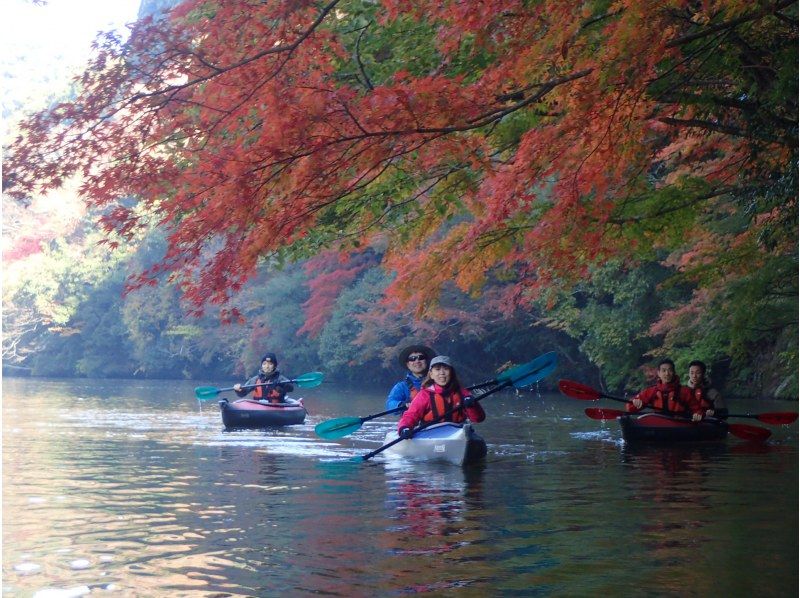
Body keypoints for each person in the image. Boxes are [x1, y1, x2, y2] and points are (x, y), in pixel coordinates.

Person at [397, 355, 486, 437]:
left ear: (451, 373)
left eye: (446, 369)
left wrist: (473, 406)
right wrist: (404, 428)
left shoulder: (463, 393)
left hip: (457, 433)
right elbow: (411, 415)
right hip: (430, 433)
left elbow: (478, 419)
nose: (442, 373)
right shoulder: (424, 395)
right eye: (437, 369)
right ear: (431, 374)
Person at [627, 358, 705, 421]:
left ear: (674, 372)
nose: (667, 374)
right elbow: (630, 408)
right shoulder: (651, 391)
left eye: (670, 370)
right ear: (659, 373)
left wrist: (698, 414)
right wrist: (635, 402)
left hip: (679, 427)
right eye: (663, 371)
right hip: (659, 427)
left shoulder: (685, 392)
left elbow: (698, 410)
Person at [385, 344, 437, 411]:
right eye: (412, 359)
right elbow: (389, 404)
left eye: (421, 357)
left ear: (426, 361)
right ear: (408, 365)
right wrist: (401, 404)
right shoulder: (401, 387)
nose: (417, 361)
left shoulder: (439, 381)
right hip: (412, 420)